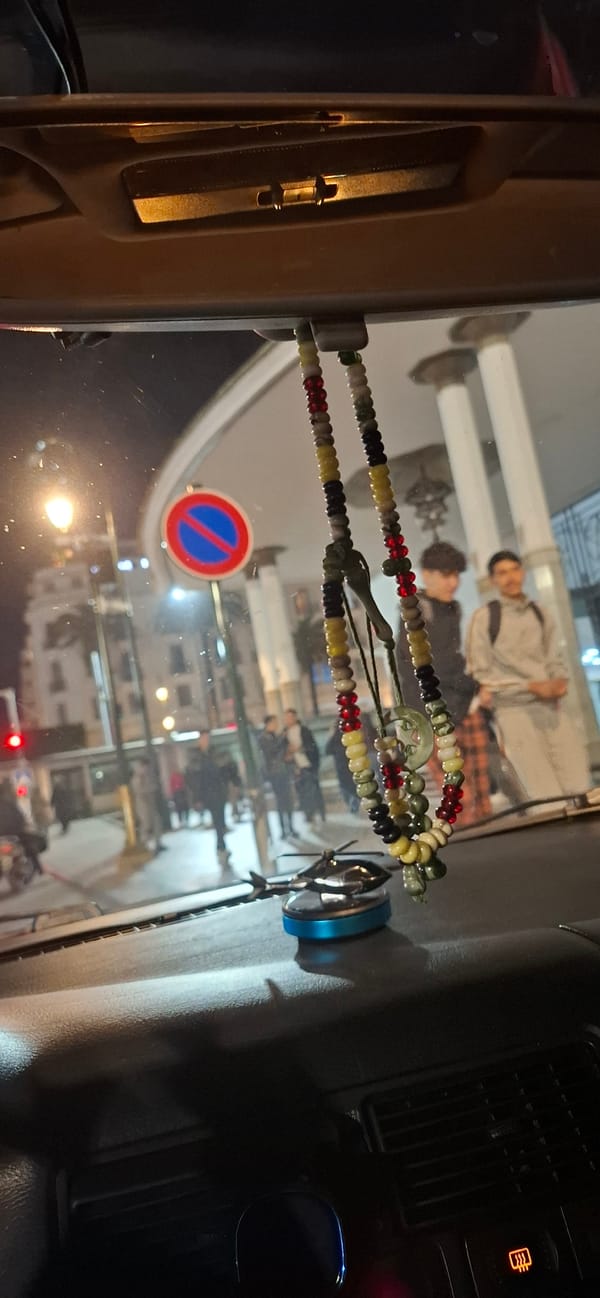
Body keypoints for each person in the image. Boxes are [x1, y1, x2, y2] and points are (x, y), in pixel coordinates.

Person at [467, 549, 590, 801]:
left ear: (522, 572)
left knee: (579, 784)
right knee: (543, 794)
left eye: (514, 569)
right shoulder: (485, 618)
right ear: (493, 580)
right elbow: (481, 676)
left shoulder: (540, 612)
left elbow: (555, 658)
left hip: (551, 708)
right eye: (502, 573)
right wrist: (530, 687)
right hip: (513, 713)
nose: (510, 577)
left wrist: (558, 682)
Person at [396, 540, 492, 827]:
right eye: (446, 574)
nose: (454, 582)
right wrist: (475, 684)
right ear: (426, 574)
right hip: (431, 714)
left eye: (457, 574)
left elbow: (450, 658)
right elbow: (431, 663)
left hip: (461, 707)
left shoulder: (453, 608)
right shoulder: (416, 607)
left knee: (481, 794)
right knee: (462, 799)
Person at [185, 730, 229, 859]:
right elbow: (193, 779)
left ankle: (221, 844)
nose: (205, 741)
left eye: (207, 738)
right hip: (207, 793)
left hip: (218, 791)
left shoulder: (215, 753)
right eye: (203, 738)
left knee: (220, 819)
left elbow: (224, 770)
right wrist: (197, 797)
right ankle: (221, 845)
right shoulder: (196, 757)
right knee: (217, 820)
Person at [283, 707, 325, 825]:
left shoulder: (304, 730)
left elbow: (312, 747)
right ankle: (308, 814)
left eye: (290, 717)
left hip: (308, 764)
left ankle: (320, 812)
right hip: (296, 767)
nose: (288, 720)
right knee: (302, 792)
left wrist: (301, 749)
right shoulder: (284, 734)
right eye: (286, 718)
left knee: (314, 790)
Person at [259, 715, 297, 838]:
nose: (276, 725)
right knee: (281, 802)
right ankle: (283, 830)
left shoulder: (275, 736)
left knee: (288, 801)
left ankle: (290, 827)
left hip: (283, 771)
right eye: (274, 723)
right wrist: (282, 738)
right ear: (268, 724)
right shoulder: (264, 738)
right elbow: (272, 752)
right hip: (275, 774)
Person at [0, 779, 44, 873]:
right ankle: (38, 867)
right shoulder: (9, 801)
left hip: (2, 834)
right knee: (30, 844)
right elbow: (19, 816)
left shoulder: (8, 800)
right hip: (14, 832)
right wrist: (24, 823)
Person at [132, 758, 167, 853]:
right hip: (143, 805)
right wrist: (151, 790)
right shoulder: (138, 777)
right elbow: (139, 791)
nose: (146, 768)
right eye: (145, 766)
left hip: (151, 804)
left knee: (157, 823)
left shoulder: (148, 776)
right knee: (146, 825)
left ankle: (158, 843)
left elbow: (154, 786)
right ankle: (145, 846)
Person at [325, 720, 360, 814]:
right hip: (349, 764)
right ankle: (354, 803)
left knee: (345, 786)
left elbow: (327, 750)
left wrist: (331, 734)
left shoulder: (335, 737)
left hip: (341, 765)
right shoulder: (349, 735)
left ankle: (353, 804)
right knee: (351, 785)